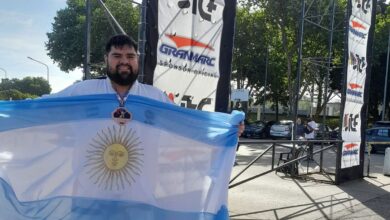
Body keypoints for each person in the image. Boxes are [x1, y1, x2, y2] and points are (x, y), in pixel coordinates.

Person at [48, 34, 245, 135]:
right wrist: (16, 111)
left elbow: (187, 124)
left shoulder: (155, 97)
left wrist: (226, 128)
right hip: (88, 193)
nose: (124, 61)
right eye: (117, 56)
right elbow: (42, 108)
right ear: (106, 59)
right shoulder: (84, 91)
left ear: (137, 60)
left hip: (139, 194)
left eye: (130, 56)